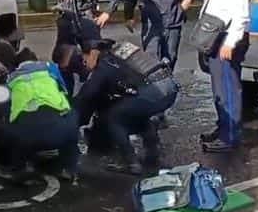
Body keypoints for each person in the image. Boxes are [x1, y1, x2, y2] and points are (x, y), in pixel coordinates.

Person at [74, 38, 181, 175]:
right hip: (169, 88)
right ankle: (153, 154)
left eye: (85, 60)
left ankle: (130, 162)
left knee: (112, 118)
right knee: (134, 112)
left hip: (154, 92)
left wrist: (73, 113)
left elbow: (89, 93)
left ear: (93, 52)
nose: (86, 66)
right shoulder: (122, 50)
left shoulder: (107, 62)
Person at [197, 0, 255, 153]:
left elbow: (240, 16)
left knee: (229, 89)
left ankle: (229, 136)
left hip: (227, 37)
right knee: (219, 88)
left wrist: (229, 43)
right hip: (216, 35)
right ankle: (223, 127)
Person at [2, 60, 81, 183]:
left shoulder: (11, 83)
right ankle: (69, 169)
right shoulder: (50, 74)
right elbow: (66, 93)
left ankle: (21, 168)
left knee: (14, 128)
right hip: (61, 131)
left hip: (30, 135)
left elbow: (6, 113)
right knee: (71, 120)